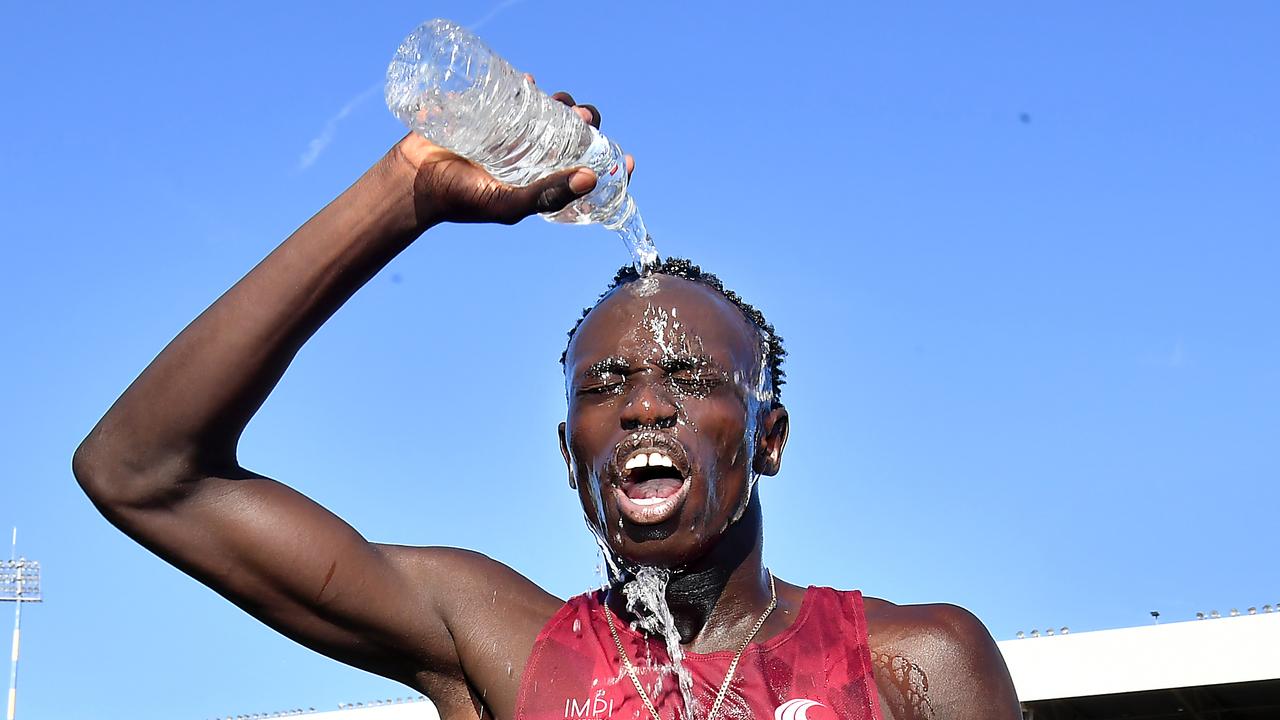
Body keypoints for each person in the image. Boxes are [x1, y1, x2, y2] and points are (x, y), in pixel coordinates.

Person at [74, 88, 1020, 720]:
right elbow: (143, 474)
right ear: (571, 454)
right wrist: (402, 192)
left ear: (768, 438)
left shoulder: (915, 663)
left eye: (691, 379)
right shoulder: (505, 647)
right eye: (604, 389)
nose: (645, 404)